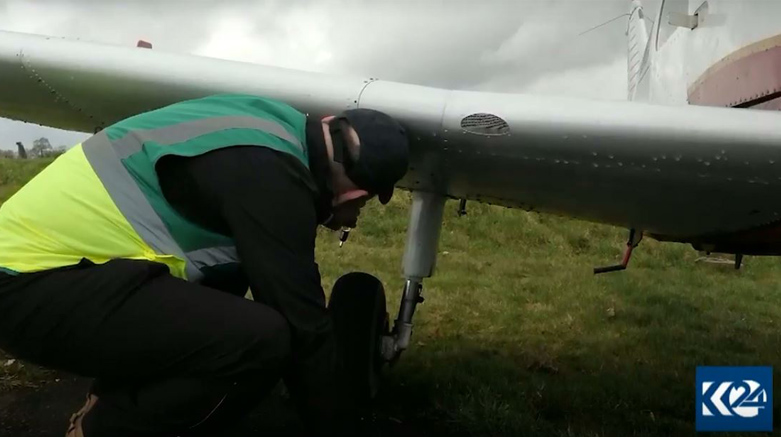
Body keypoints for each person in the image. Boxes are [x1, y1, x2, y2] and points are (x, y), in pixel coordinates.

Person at [0, 94, 410, 435]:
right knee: (260, 341)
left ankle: (114, 400)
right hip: (26, 287)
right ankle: (105, 429)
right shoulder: (274, 183)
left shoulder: (273, 126)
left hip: (46, 273)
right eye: (364, 204)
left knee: (227, 294)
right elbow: (305, 327)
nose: (355, 215)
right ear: (356, 193)